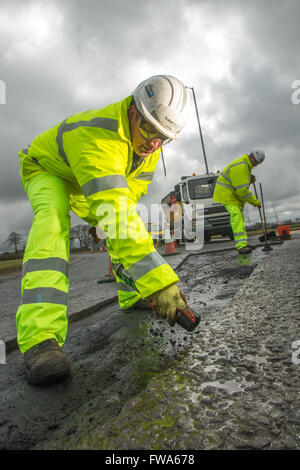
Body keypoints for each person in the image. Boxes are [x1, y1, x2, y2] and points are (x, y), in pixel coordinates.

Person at [16, 75, 190, 385]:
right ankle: (40, 339)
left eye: (163, 137)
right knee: (52, 224)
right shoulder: (98, 136)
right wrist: (160, 283)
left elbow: (125, 212)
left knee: (122, 228)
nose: (154, 144)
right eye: (150, 130)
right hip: (48, 170)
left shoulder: (149, 148)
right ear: (133, 111)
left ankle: (130, 296)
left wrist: (143, 279)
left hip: (86, 180)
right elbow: (115, 213)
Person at [213, 150, 265, 254]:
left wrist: (249, 179)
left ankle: (243, 243)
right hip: (227, 195)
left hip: (231, 195)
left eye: (257, 164)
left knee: (240, 218)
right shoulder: (242, 166)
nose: (256, 165)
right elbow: (242, 191)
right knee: (236, 217)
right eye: (256, 163)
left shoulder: (246, 166)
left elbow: (239, 182)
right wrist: (255, 202)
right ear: (252, 159)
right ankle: (241, 246)